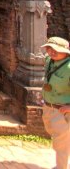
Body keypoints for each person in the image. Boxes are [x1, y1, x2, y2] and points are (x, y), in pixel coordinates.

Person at [41, 36, 70, 169]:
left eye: (56, 50)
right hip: (48, 107)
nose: (52, 52)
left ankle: (61, 167)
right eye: (49, 48)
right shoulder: (49, 61)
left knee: (61, 144)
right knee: (52, 132)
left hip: (63, 111)